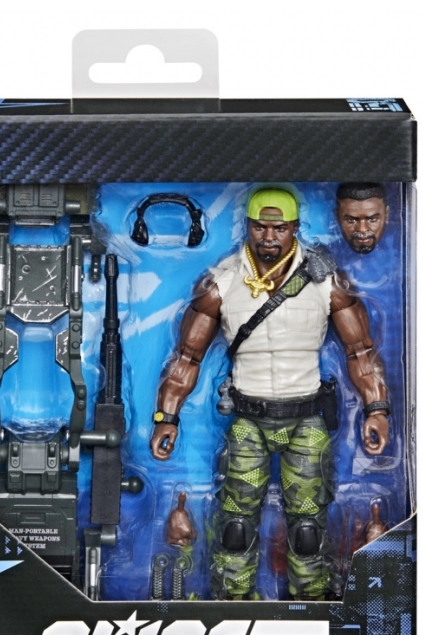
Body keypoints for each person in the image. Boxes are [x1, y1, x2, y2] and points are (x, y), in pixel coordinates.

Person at [150, 188, 390, 600]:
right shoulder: (222, 281)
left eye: (279, 228)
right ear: (247, 226)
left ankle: (312, 607)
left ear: (295, 228)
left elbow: (361, 351)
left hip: (306, 419)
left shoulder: (325, 280)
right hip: (249, 421)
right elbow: (187, 356)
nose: (269, 237)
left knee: (309, 530)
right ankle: (231, 608)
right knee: (234, 527)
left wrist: (377, 408)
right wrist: (166, 417)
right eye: (260, 227)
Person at [335, 182, 389, 254]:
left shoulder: (399, 249)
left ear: (386, 215)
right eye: (351, 220)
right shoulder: (325, 255)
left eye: (372, 220)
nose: (362, 229)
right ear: (337, 217)